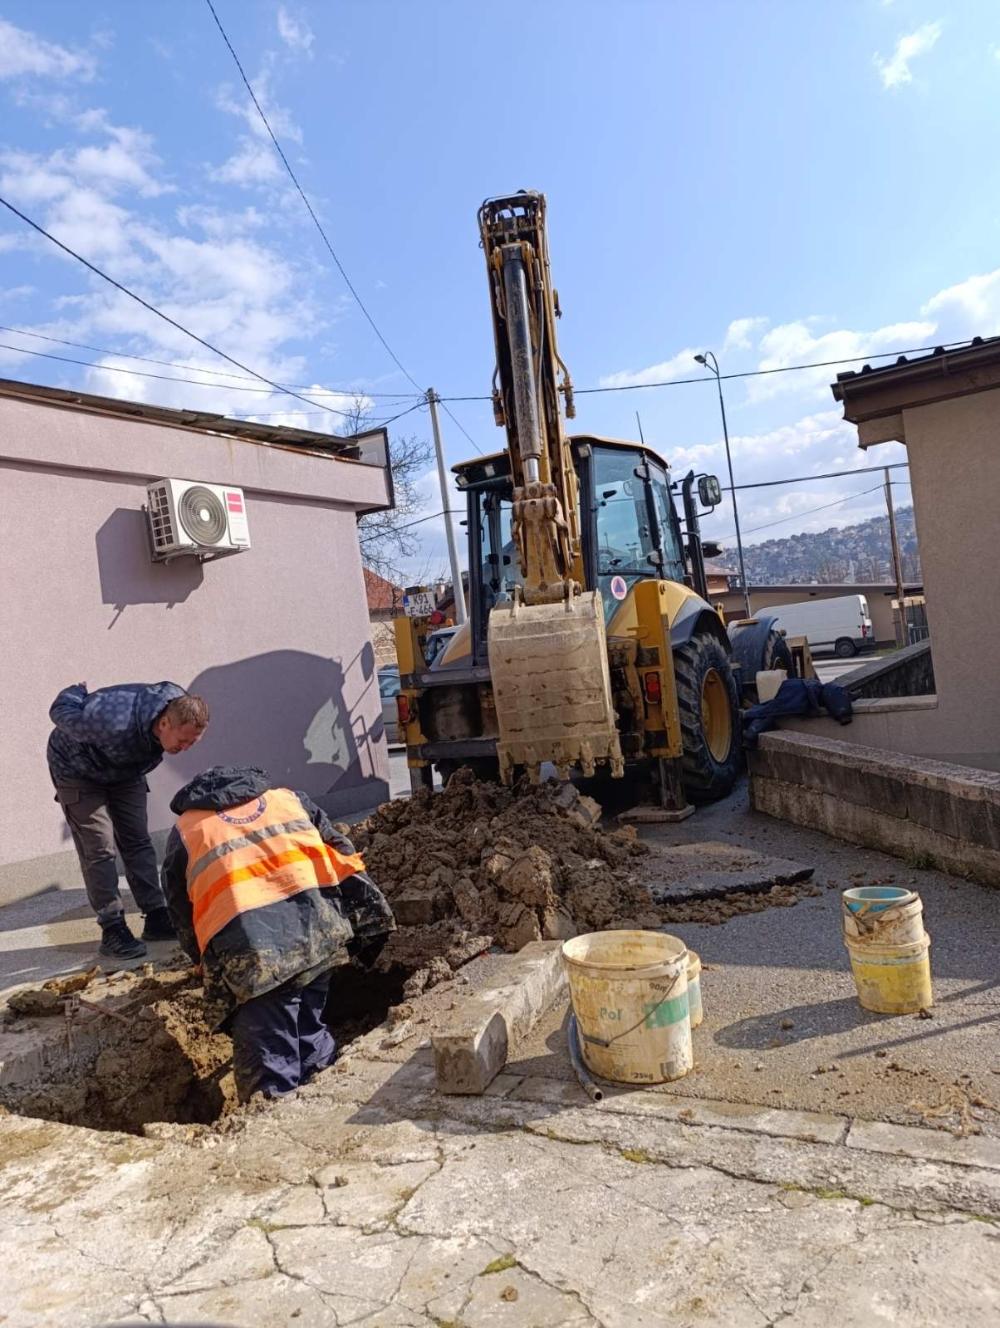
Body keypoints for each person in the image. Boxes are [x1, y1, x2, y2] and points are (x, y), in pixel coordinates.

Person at [161, 765, 395, 1103]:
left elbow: (180, 908)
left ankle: (274, 1129)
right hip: (319, 935)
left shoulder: (186, 830)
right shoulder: (288, 800)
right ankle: (325, 1103)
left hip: (255, 956)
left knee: (269, 1063)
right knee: (309, 1026)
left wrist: (201, 959)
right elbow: (341, 852)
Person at [47, 681, 210, 960]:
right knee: (99, 848)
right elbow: (60, 709)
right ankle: (112, 928)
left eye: (191, 743)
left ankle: (156, 915)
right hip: (76, 769)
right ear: (164, 724)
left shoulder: (181, 707)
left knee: (137, 840)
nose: (184, 748)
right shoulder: (108, 722)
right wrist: (76, 691)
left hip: (125, 770)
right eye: (182, 741)